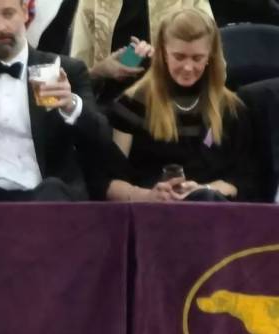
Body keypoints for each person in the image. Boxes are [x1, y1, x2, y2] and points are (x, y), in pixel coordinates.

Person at [0, 0, 113, 201]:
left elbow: (101, 141)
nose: (1, 27)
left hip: (49, 200)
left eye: (8, 14)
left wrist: (71, 106)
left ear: (25, 12)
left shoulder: (65, 69)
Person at [106, 8, 259, 203]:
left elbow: (245, 178)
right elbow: (110, 181)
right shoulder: (132, 105)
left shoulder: (231, 109)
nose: (188, 67)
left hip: (213, 213)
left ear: (210, 56)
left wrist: (204, 190)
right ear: (163, 53)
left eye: (197, 58)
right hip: (149, 212)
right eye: (179, 57)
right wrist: (147, 196)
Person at [70, 0, 213, 104]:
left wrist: (162, 59)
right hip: (110, 103)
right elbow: (76, 77)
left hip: (173, 98)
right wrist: (101, 70)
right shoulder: (92, 3)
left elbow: (212, 56)